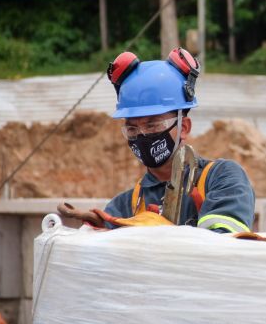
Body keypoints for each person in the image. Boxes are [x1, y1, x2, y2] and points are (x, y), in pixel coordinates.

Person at [102, 48, 255, 233]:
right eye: (132, 128)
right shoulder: (123, 207)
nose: (141, 135)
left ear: (184, 128)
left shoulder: (222, 179)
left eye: (152, 125)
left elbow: (220, 249)